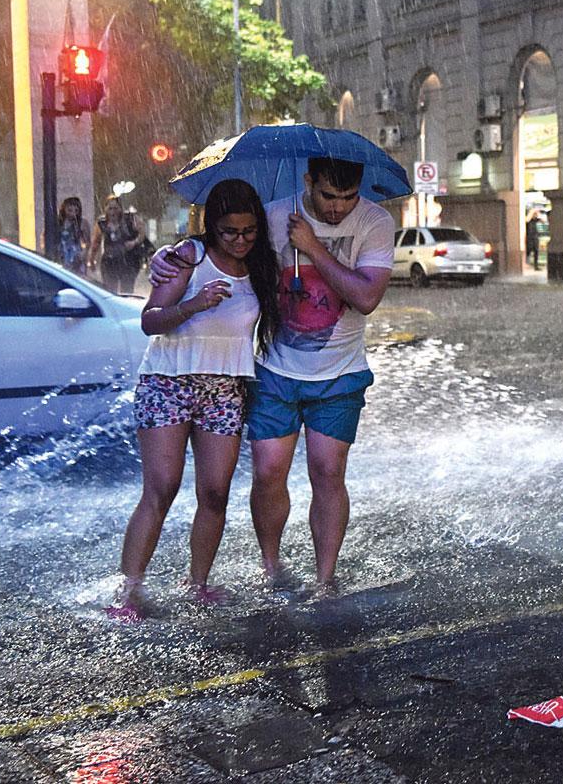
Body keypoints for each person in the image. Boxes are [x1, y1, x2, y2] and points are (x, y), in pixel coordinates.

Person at [150, 158, 394, 594]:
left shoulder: (375, 222)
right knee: (267, 472)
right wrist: (169, 256)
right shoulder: (274, 215)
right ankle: (271, 564)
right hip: (275, 368)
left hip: (340, 372)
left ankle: (324, 578)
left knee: (327, 471)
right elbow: (222, 247)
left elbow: (367, 297)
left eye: (348, 197)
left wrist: (315, 247)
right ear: (308, 182)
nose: (338, 208)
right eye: (327, 196)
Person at [109, 179, 279, 621]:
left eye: (248, 231)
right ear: (211, 227)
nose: (240, 241)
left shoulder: (262, 265)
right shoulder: (190, 256)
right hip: (168, 382)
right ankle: (128, 593)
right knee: (161, 489)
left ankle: (197, 583)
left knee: (215, 493)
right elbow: (150, 321)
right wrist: (195, 303)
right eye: (229, 232)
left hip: (225, 389)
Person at [90, 194, 147, 295]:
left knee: (127, 291)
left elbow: (142, 233)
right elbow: (96, 242)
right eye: (110, 208)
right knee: (110, 292)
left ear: (120, 209)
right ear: (106, 209)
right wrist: (91, 259)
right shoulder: (102, 223)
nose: (113, 212)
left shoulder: (130, 219)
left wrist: (134, 242)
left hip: (128, 260)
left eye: (116, 208)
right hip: (109, 261)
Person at [57, 197, 91, 276]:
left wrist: (83, 254)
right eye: (70, 210)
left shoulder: (82, 223)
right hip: (62, 253)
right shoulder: (58, 223)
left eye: (76, 211)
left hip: (76, 254)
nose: (73, 214)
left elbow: (88, 242)